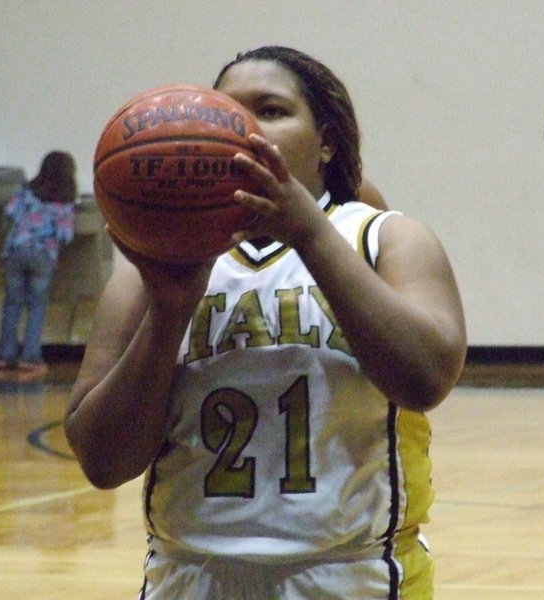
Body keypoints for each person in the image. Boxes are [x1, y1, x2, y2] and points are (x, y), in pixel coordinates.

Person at [65, 46, 466, 599]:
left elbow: (426, 378)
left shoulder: (383, 238)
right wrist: (170, 310)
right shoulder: (151, 270)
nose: (244, 129)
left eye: (271, 111)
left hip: (352, 575)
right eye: (227, 112)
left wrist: (308, 232)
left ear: (325, 140)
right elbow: (102, 461)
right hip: (189, 575)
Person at [0, 151, 77, 374]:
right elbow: (65, 235)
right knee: (36, 307)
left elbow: (10, 211)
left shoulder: (26, 191)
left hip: (16, 251)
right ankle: (30, 358)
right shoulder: (65, 201)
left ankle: (5, 355)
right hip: (42, 256)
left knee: (12, 304)